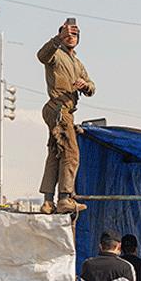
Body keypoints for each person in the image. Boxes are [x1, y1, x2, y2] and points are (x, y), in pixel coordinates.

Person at [36, 18, 95, 215]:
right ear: (61, 35)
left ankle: (47, 201)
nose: (71, 37)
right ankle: (64, 198)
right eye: (67, 34)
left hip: (63, 110)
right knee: (71, 154)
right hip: (59, 109)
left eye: (74, 34)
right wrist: (57, 38)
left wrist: (85, 86)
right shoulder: (56, 55)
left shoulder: (77, 63)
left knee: (55, 154)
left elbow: (91, 85)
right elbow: (42, 55)